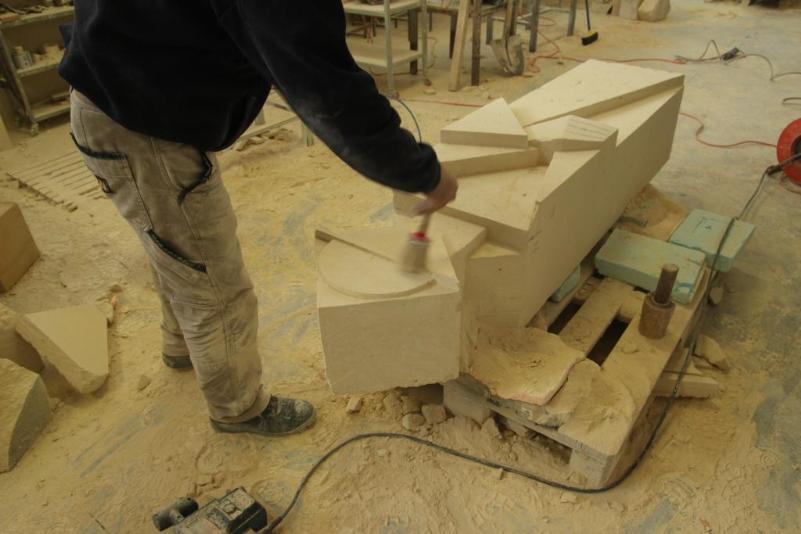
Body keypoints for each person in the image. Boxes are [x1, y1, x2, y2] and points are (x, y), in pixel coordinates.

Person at [59, 1, 458, 437]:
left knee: (171, 241)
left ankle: (182, 346)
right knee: (215, 285)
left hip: (121, 93)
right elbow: (328, 93)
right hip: (141, 122)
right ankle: (238, 407)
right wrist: (421, 172)